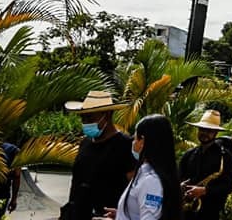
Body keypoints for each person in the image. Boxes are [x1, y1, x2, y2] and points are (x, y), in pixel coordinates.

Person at [63, 91, 138, 220]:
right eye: (83, 118)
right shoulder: (85, 143)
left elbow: (134, 186)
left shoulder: (125, 145)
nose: (85, 122)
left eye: (90, 118)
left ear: (107, 115)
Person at [111, 114, 182, 220]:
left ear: (142, 141)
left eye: (135, 138)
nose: (133, 142)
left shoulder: (151, 181)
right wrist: (122, 214)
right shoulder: (145, 173)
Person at [179, 110, 232, 220]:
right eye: (202, 129)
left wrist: (204, 191)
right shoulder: (189, 154)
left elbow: (227, 187)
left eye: (209, 130)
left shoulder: (224, 156)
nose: (204, 133)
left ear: (216, 133)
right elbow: (178, 177)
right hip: (187, 212)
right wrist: (181, 186)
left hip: (210, 212)